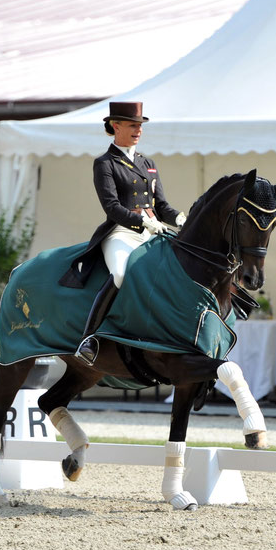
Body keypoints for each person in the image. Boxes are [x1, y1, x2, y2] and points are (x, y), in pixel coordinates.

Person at [59, 101, 186, 365]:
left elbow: (161, 205)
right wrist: (142, 222)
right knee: (119, 273)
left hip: (154, 233)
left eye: (140, 125)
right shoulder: (104, 163)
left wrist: (180, 218)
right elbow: (112, 207)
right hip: (121, 232)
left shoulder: (147, 162)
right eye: (132, 125)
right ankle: (90, 338)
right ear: (115, 126)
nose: (138, 130)